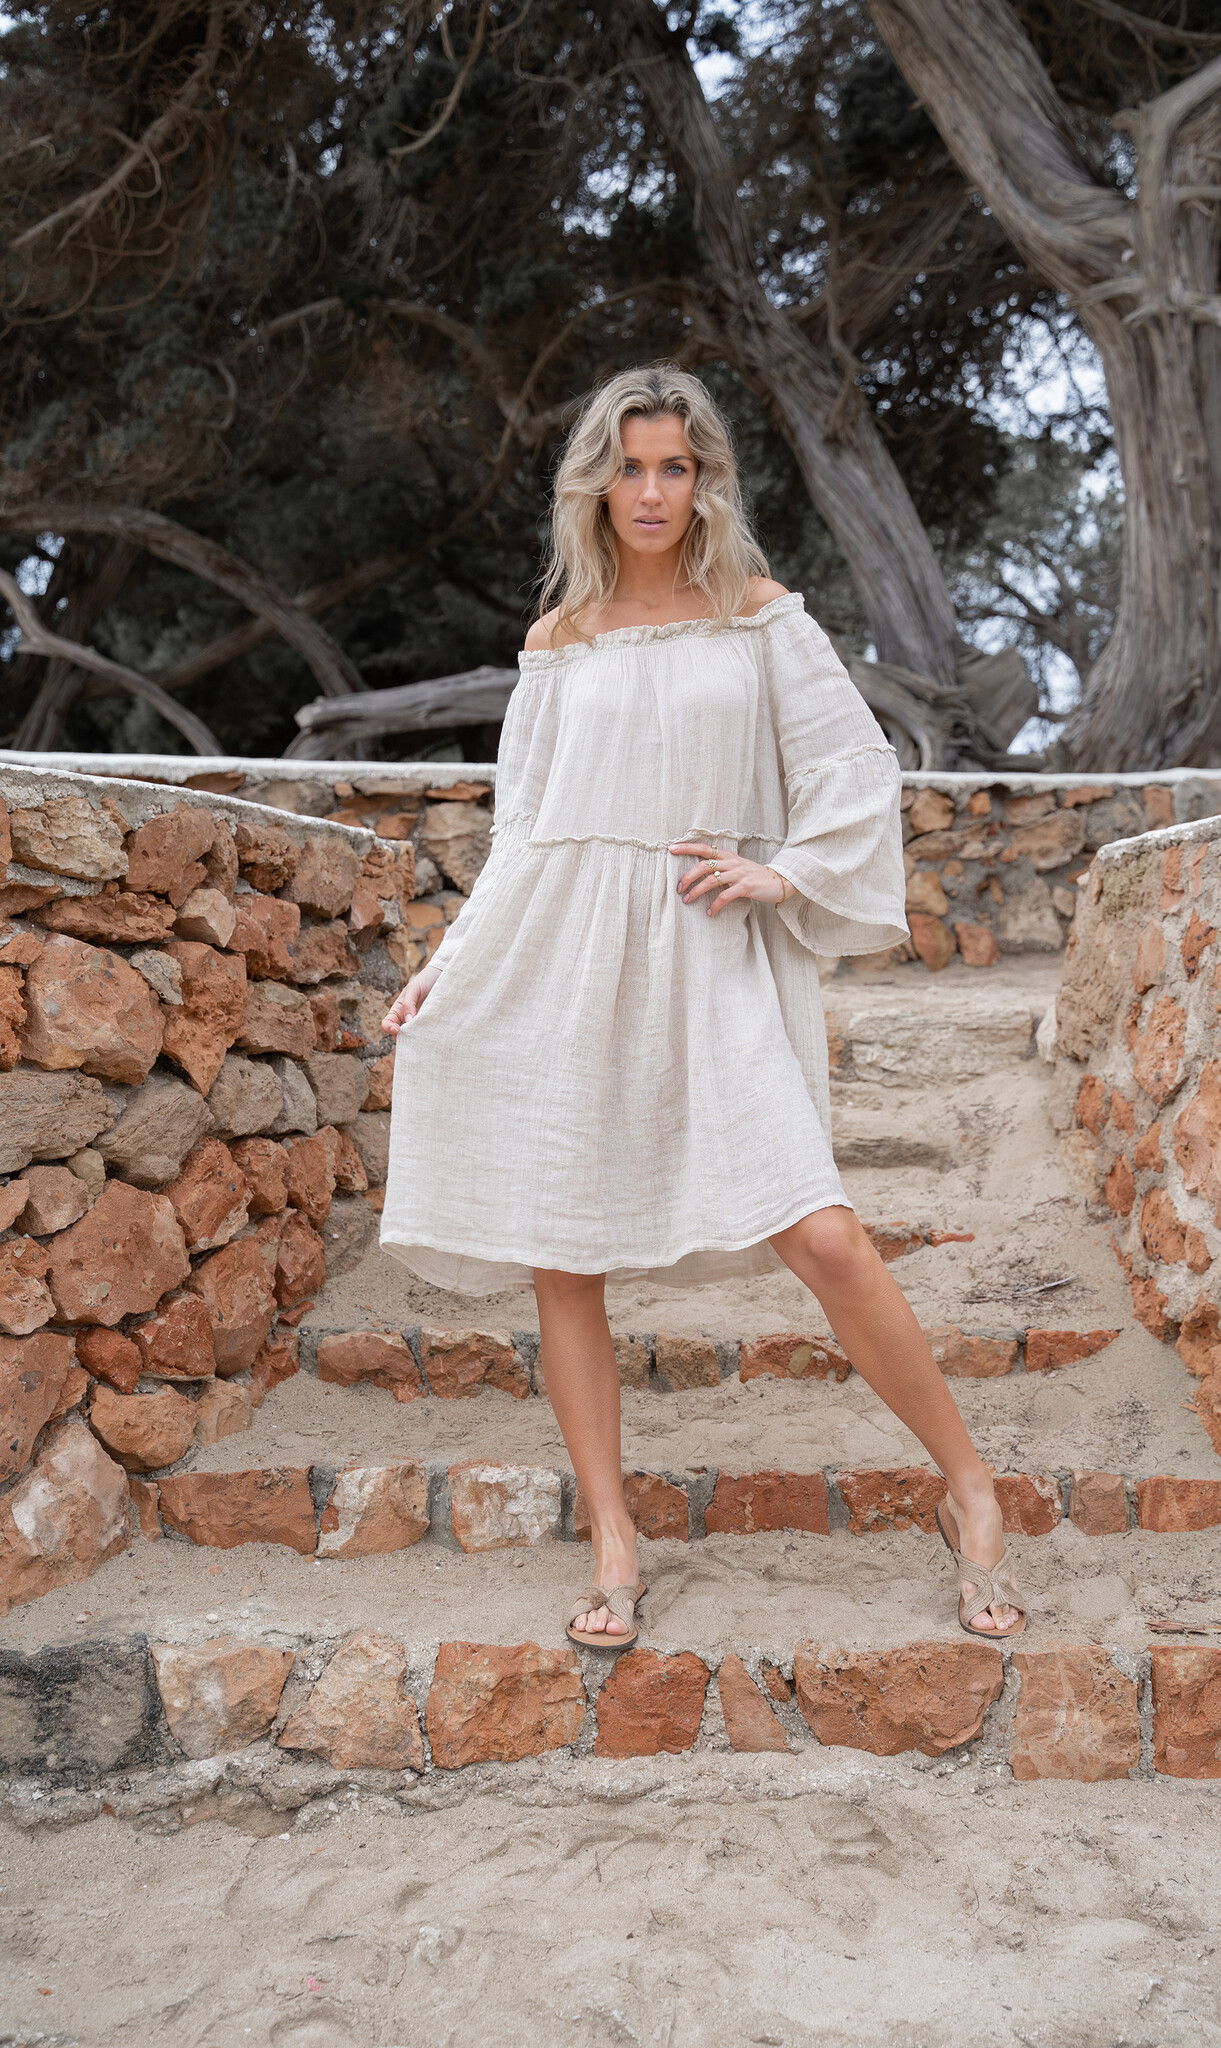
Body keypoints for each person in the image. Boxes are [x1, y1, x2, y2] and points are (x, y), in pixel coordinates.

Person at [380, 363, 1026, 1646]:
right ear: (595, 481)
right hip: (564, 952)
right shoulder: (560, 639)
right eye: (629, 466)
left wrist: (784, 871)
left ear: (706, 480)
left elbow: (852, 767)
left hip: (706, 944)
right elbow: (522, 831)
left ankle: (969, 1483)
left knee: (822, 1232)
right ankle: (614, 1540)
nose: (651, 490)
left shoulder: (759, 616)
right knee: (564, 1253)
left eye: (675, 466)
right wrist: (451, 959)